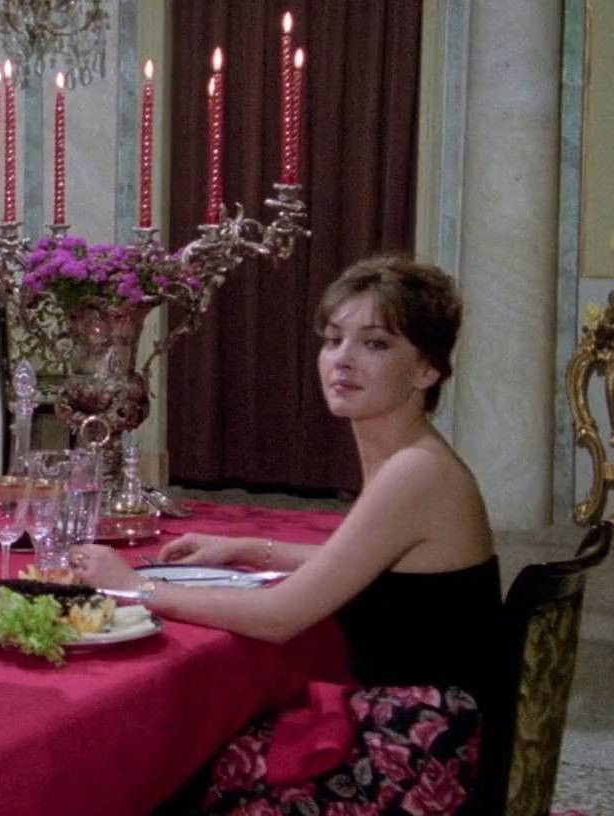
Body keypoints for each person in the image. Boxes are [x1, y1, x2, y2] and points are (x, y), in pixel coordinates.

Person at [73, 255, 499, 814]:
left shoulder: (415, 471)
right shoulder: (410, 456)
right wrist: (247, 549)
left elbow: (280, 618)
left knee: (168, 766)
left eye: (375, 343)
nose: (343, 359)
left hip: (417, 744)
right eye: (333, 339)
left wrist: (135, 587)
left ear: (427, 369)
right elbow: (366, 564)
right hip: (419, 719)